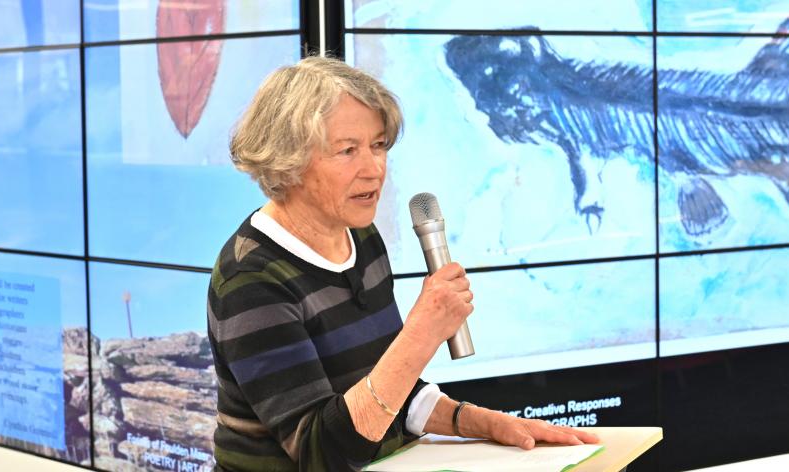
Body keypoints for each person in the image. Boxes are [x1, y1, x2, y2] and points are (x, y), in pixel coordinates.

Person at [207, 56, 599, 471]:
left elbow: (387, 393)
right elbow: (321, 453)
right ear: (288, 159)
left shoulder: (360, 237)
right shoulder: (250, 279)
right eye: (347, 150)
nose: (374, 168)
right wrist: (422, 333)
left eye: (378, 145)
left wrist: (483, 422)